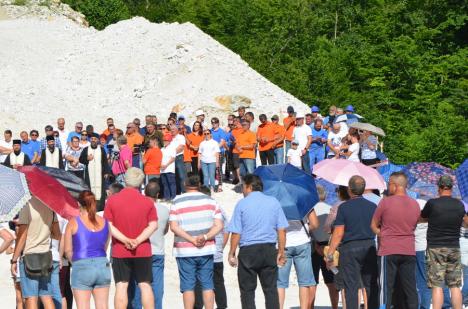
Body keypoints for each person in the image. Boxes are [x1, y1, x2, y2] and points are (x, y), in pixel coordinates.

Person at [227, 174, 288, 309]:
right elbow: (282, 230)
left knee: (247, 291)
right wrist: (281, 252)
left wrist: (231, 253)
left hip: (248, 251)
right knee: (271, 290)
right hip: (269, 250)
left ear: (249, 186)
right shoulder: (273, 202)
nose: (242, 190)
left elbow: (236, 232)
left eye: (243, 186)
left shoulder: (242, 204)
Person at [104, 168, 158, 309]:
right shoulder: (147, 202)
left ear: (125, 180)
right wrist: (138, 240)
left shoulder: (112, 200)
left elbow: (108, 225)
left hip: (120, 249)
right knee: (145, 285)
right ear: (140, 183)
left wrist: (125, 240)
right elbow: (153, 225)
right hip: (143, 249)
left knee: (121, 285)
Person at [169, 173, 224, 309]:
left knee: (188, 286)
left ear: (185, 184)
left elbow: (173, 227)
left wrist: (191, 239)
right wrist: (205, 237)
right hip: (206, 248)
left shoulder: (177, 201)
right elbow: (219, 225)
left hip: (185, 249)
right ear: (199, 184)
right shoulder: (211, 201)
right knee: (207, 284)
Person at [325, 176, 379, 309]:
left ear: (349, 189)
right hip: (369, 246)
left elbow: (338, 233)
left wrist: (330, 253)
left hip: (350, 248)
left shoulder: (344, 207)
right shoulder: (373, 206)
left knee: (351, 286)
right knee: (371, 284)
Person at [370, 172, 421, 309]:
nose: (388, 187)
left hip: (388, 249)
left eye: (389, 184)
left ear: (394, 185)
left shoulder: (385, 202)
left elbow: (373, 225)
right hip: (409, 250)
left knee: (385, 287)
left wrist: (383, 234)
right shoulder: (415, 204)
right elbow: (413, 226)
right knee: (410, 288)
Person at [420, 176, 468, 309]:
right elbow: (465, 222)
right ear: (451, 188)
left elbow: (422, 217)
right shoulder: (459, 204)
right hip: (454, 247)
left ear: (439, 188)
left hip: (435, 248)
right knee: (455, 285)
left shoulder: (432, 203)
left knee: (437, 285)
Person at [10, 196, 60, 309]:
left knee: (31, 297)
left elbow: (22, 237)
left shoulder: (26, 206)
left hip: (29, 256)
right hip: (46, 257)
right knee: (46, 296)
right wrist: (44, 233)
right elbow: (57, 234)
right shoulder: (50, 207)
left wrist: (14, 260)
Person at [64, 191, 111, 309]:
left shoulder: (73, 222)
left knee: (83, 306)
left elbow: (68, 250)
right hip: (102, 264)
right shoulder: (105, 222)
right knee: (103, 305)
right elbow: (105, 246)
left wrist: (74, 262)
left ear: (79, 204)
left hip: (82, 265)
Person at [128, 180, 170, 309]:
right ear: (157, 194)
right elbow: (165, 230)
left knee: (138, 285)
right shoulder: (164, 210)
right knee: (156, 286)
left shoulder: (137, 207)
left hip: (141, 251)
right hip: (157, 251)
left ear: (144, 193)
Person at [194, 186, 229, 309]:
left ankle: (198, 306)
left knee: (199, 282)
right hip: (216, 252)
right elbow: (226, 230)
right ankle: (222, 306)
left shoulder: (199, 209)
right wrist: (221, 246)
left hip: (203, 253)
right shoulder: (219, 208)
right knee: (218, 282)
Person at [277, 209, 319, 309]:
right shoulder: (304, 202)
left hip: (284, 244)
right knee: (304, 282)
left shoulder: (278, 203)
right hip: (302, 242)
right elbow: (315, 224)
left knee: (280, 283)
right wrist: (304, 229)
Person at [309, 185, 339, 309]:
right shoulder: (331, 209)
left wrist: (315, 245)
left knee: (311, 282)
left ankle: (310, 306)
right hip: (329, 248)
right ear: (324, 195)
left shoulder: (309, 210)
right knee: (331, 281)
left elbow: (308, 230)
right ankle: (335, 307)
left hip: (313, 248)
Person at [79, 135, 111, 211]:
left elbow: (105, 162)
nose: (93, 140)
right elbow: (81, 159)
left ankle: (100, 209)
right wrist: (87, 158)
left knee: (100, 192)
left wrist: (106, 172)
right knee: (89, 191)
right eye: (92, 139)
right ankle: (90, 208)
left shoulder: (102, 149)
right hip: (89, 176)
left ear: (98, 140)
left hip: (100, 175)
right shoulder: (86, 149)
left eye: (95, 139)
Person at [414, 198, 432, 309]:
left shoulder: (415, 223)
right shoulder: (430, 222)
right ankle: (424, 305)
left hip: (418, 250)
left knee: (421, 281)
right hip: (426, 249)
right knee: (425, 280)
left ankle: (423, 305)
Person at [210, 117, 228, 192]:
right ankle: (212, 184)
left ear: (218, 123)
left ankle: (220, 185)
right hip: (210, 153)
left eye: (215, 122)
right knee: (211, 169)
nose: (214, 124)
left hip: (219, 152)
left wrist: (215, 149)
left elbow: (222, 142)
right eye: (212, 122)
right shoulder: (210, 131)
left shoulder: (221, 131)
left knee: (219, 169)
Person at [169, 125, 187, 194]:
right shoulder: (169, 138)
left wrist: (171, 152)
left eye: (173, 129)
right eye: (171, 129)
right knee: (174, 175)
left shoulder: (181, 137)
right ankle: (177, 192)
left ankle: (184, 191)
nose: (172, 130)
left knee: (182, 175)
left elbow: (181, 147)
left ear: (177, 130)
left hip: (178, 157)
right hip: (171, 158)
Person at [160, 133, 177, 200]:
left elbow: (173, 158)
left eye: (166, 140)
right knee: (165, 184)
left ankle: (173, 198)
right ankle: (167, 197)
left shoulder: (172, 148)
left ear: (169, 141)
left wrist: (166, 165)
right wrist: (161, 165)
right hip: (162, 169)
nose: (165, 142)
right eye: (164, 140)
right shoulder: (162, 149)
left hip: (169, 169)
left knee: (171, 183)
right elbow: (159, 158)